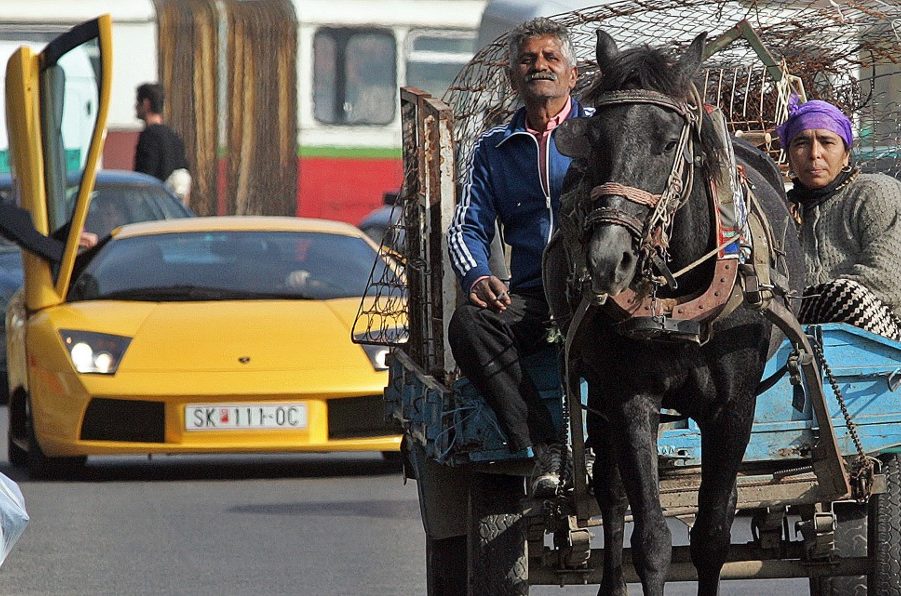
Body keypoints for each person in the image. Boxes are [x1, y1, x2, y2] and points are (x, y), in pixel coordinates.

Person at [446, 17, 592, 497]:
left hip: (603, 297)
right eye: (528, 59)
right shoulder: (493, 147)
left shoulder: (602, 134)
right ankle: (545, 443)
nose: (539, 66)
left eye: (552, 58)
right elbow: (467, 227)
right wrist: (477, 276)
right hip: (533, 297)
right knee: (469, 324)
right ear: (513, 77)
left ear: (572, 74)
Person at [777, 97, 901, 340]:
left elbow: (888, 279)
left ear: (846, 154)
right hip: (801, 335)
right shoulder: (780, 211)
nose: (815, 154)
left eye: (827, 142)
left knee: (848, 295)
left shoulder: (874, 193)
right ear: (789, 157)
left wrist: (804, 301)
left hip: (882, 333)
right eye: (801, 143)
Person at [134, 83, 192, 206]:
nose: (135, 107)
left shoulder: (148, 137)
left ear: (146, 104)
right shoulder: (175, 138)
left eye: (137, 103)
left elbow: (144, 178)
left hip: (154, 207)